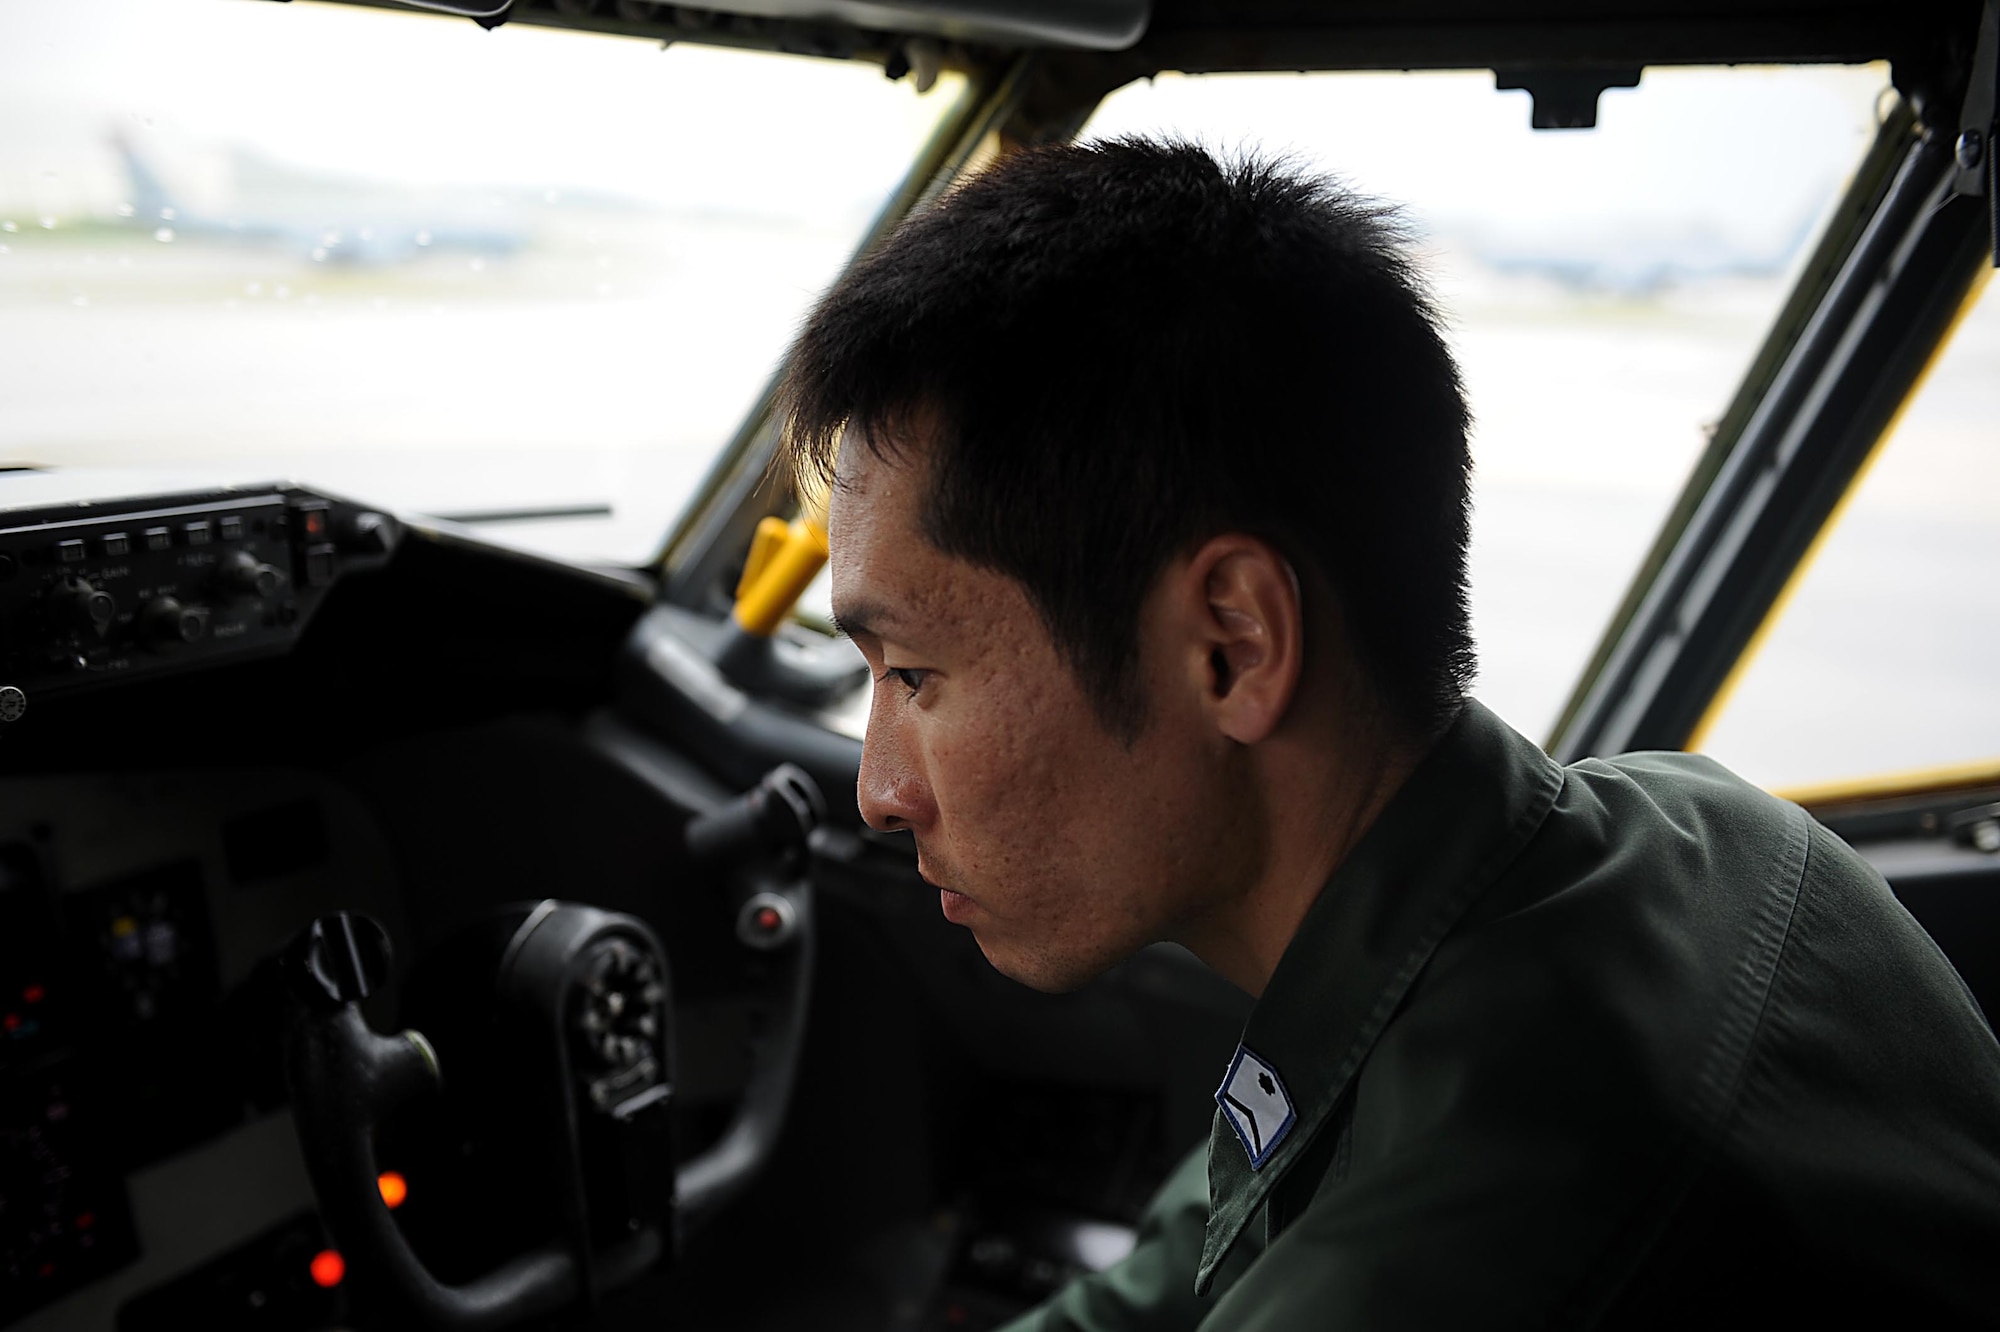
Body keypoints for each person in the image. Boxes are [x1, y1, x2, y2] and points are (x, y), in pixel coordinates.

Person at [776, 138, 2000, 1328]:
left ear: (1233, 644)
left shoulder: (1456, 1260)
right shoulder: (1708, 826)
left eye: (916, 675)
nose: (879, 791)